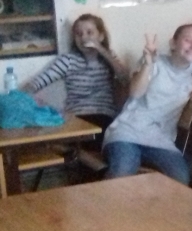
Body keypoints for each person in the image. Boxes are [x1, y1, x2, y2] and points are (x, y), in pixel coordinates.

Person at [102, 24, 192, 185]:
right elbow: (135, 92)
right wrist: (148, 63)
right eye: (188, 40)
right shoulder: (154, 62)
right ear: (173, 43)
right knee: (122, 172)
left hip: (161, 140)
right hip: (127, 133)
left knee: (180, 179)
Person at [23, 14, 129, 144]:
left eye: (89, 32)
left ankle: (78, 153)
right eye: (79, 34)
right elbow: (38, 82)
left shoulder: (109, 57)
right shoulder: (68, 60)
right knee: (67, 136)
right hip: (77, 116)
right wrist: (25, 96)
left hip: (103, 115)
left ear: (101, 36)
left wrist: (101, 50)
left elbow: (124, 78)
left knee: (106, 136)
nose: (84, 37)